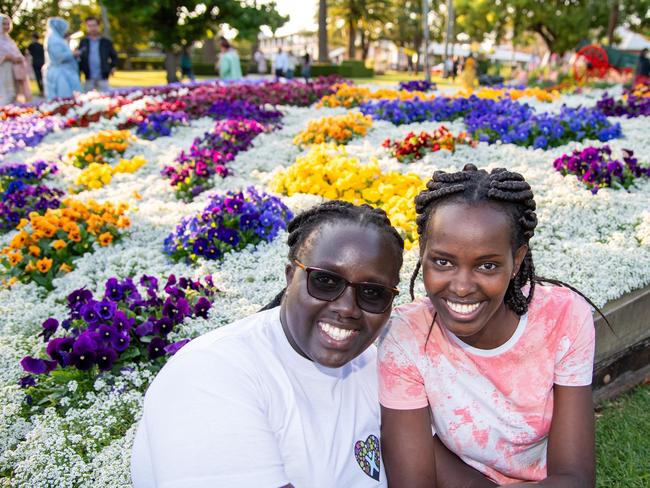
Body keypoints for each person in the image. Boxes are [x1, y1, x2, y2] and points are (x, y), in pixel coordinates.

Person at [131, 201, 405, 487]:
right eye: (325, 281)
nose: (348, 308)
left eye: (373, 293)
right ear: (290, 277)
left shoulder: (374, 364)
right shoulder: (210, 373)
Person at [379, 164, 597, 487]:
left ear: (517, 260)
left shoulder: (563, 319)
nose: (463, 286)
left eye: (487, 265)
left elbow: (574, 477)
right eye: (443, 261)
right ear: (422, 252)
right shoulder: (405, 337)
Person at [43, 17, 81, 100]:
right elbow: (58, 57)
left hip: (64, 71)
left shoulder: (57, 38)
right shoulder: (54, 39)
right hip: (60, 74)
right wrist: (73, 53)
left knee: (68, 98)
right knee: (63, 98)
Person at [77, 16, 117, 92]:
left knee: (106, 99)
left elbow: (114, 56)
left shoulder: (106, 42)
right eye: (89, 26)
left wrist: (112, 66)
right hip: (88, 77)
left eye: (94, 25)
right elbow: (79, 58)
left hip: (103, 77)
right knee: (87, 100)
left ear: (98, 26)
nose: (92, 28)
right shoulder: (83, 42)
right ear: (86, 27)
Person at [0, 14, 32, 105]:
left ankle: (12, 115)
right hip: (4, 69)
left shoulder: (8, 39)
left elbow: (17, 53)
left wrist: (19, 58)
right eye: (3, 24)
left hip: (14, 69)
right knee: (9, 94)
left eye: (7, 24)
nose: (6, 26)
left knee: (16, 93)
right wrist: (8, 57)